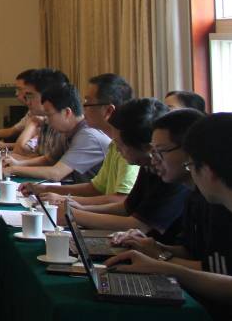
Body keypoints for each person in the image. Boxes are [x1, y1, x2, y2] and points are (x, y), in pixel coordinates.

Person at [107, 115, 232, 314]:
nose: (154, 160)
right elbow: (192, 250)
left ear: (208, 170)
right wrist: (154, 247)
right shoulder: (195, 198)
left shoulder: (219, 208)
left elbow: (218, 271)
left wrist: (161, 261)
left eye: (161, 151)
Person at [61, 99, 189, 239]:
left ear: (145, 147)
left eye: (119, 144)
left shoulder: (171, 174)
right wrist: (82, 208)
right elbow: (127, 207)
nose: (116, 149)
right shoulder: (147, 166)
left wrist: (74, 215)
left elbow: (139, 225)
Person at [20, 73, 138, 205]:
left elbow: (122, 199)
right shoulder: (114, 144)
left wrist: (66, 200)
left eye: (88, 102)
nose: (82, 108)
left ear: (108, 111)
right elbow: (95, 188)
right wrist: (44, 189)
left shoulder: (129, 147)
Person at [4, 83, 110, 182]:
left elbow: (56, 173)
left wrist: (13, 169)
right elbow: (49, 160)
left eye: (49, 115)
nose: (47, 121)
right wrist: (18, 163)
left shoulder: (88, 136)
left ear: (67, 112)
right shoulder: (67, 131)